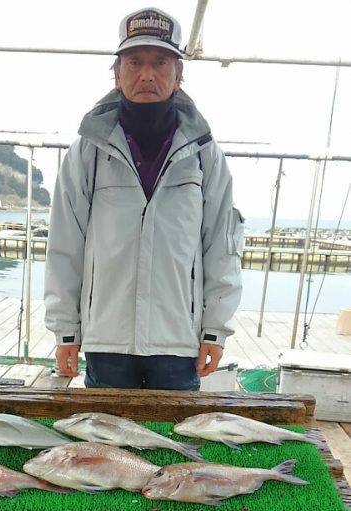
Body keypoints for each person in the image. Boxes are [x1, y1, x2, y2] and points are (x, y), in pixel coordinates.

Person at [44, 7, 243, 390]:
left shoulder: (204, 153)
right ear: (117, 73)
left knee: (177, 444)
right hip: (107, 338)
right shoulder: (88, 151)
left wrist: (215, 329)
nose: (147, 74)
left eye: (161, 62)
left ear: (179, 74)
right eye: (134, 62)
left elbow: (222, 243)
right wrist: (66, 331)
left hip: (178, 341)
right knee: (105, 447)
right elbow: (65, 244)